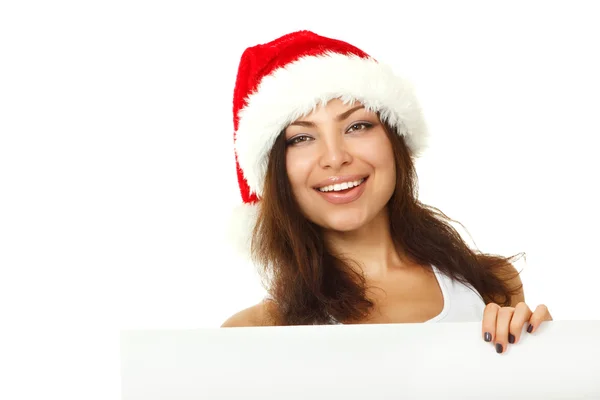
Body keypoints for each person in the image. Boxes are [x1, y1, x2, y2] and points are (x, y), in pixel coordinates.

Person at [221, 30, 552, 354]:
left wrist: (545, 355)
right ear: (275, 173)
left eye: (357, 126)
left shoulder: (493, 286)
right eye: (301, 138)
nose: (336, 157)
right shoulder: (253, 334)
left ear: (396, 141)